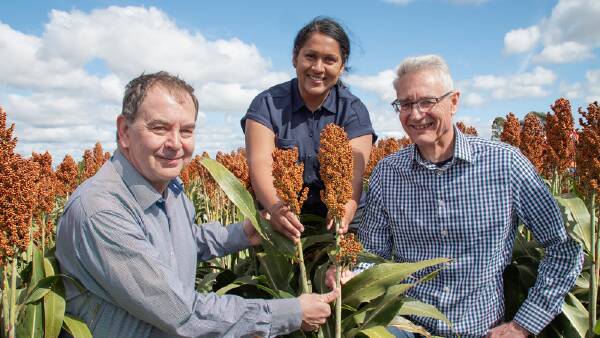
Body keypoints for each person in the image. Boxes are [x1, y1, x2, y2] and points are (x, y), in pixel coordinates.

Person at [55, 71, 339, 338]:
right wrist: (291, 312)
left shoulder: (169, 188)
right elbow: (182, 313)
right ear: (124, 131)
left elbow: (177, 244)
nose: (175, 143)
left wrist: (244, 233)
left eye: (187, 131)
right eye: (159, 128)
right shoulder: (101, 210)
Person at [326, 55, 583, 337]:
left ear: (454, 101)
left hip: (480, 329)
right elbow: (372, 255)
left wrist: (523, 325)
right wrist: (351, 274)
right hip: (406, 327)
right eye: (405, 104)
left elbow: (564, 248)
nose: (415, 114)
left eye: (426, 102)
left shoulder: (506, 165)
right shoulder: (387, 174)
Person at [241, 17, 376, 240]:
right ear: (295, 58)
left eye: (329, 60)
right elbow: (261, 163)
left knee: (340, 272)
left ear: (341, 67)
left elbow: (354, 173)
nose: (318, 68)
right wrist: (276, 209)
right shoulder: (266, 104)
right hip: (284, 215)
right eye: (310, 56)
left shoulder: (353, 110)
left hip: (340, 219)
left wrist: (345, 209)